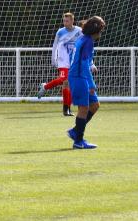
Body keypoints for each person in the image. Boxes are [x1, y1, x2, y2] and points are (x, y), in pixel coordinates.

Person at [66, 16, 105, 149]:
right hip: (79, 77)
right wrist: (91, 84)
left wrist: (91, 63)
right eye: (101, 29)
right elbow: (82, 64)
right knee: (83, 108)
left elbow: (79, 58)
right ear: (96, 30)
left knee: (94, 105)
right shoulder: (87, 41)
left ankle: (75, 131)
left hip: (79, 75)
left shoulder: (84, 39)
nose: (101, 33)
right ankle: (78, 141)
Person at [37, 13, 83, 116]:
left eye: (67, 21)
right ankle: (45, 87)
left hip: (73, 61)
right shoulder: (60, 32)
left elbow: (83, 45)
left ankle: (66, 109)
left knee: (68, 84)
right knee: (64, 80)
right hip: (62, 60)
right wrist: (53, 59)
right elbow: (54, 46)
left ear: (72, 21)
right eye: (64, 21)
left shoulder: (79, 31)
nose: (65, 23)